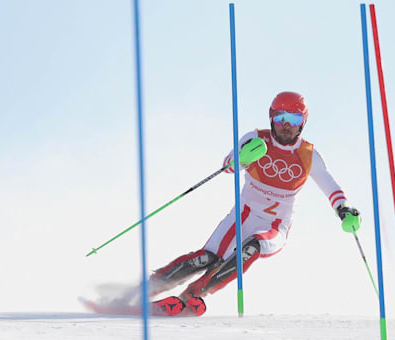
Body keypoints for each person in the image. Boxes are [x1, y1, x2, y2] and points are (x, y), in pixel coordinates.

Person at [146, 91, 361, 316]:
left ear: (303, 123)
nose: (286, 125)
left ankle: (194, 294)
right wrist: (243, 158)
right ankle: (148, 288)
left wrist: (344, 209)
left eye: (294, 119)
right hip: (241, 217)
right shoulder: (256, 139)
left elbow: (330, 186)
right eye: (280, 118)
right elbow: (228, 167)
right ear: (271, 117)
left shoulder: (308, 155)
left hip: (275, 227)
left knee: (251, 247)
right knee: (206, 257)